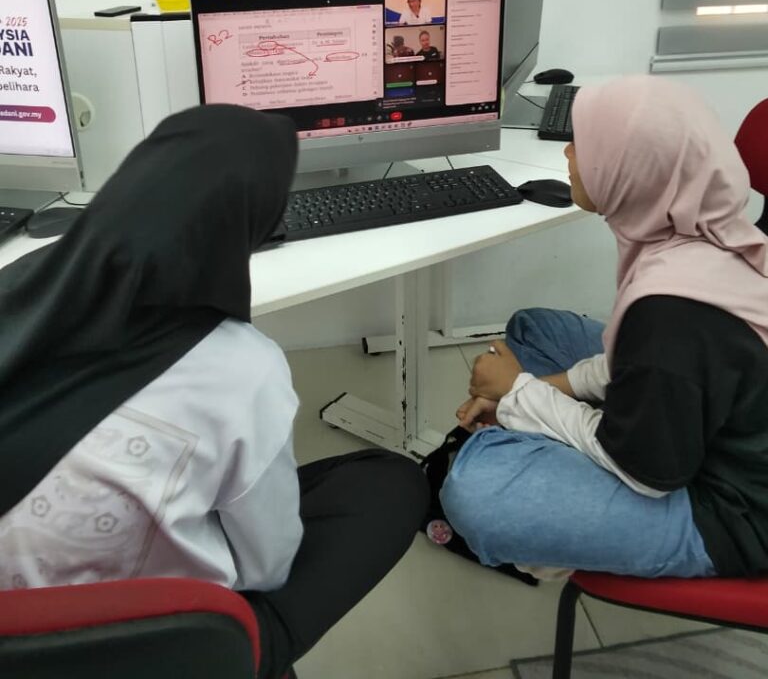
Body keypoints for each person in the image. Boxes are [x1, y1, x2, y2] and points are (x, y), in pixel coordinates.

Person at [0, 104, 428, 679]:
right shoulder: (242, 368)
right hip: (151, 647)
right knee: (389, 482)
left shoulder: (20, 290)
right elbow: (266, 569)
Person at [441, 76, 768, 579]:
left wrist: (520, 396)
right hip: (702, 420)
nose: (569, 153)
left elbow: (646, 471)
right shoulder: (704, 225)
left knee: (477, 487)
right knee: (535, 329)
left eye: (584, 144)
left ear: (627, 171)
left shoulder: (669, 317)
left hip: (731, 508)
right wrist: (540, 391)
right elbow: (635, 363)